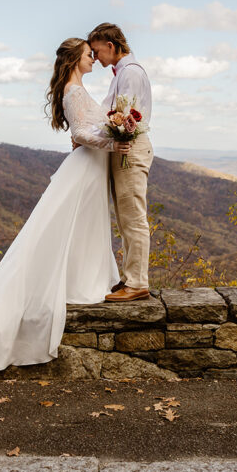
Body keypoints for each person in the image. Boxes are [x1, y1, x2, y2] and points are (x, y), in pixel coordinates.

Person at [0, 38, 133, 373]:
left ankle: (84, 280)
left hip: (91, 169)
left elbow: (86, 130)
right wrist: (114, 140)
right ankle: (70, 284)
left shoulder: (79, 88)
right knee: (59, 227)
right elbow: (81, 134)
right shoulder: (73, 91)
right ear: (76, 58)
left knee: (84, 227)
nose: (93, 59)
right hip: (85, 167)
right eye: (89, 55)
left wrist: (116, 126)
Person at [87, 23, 154, 302]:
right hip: (124, 148)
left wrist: (88, 137)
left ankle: (138, 282)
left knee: (133, 217)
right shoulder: (123, 73)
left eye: (96, 50)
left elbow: (125, 117)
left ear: (111, 46)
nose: (94, 57)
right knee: (125, 218)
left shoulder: (131, 73)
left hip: (131, 149)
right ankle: (130, 277)